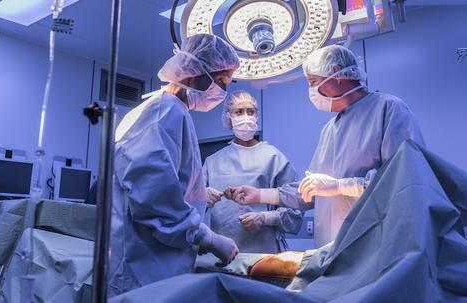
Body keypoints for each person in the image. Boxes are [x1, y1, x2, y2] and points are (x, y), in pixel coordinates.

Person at [226, 45, 425, 248]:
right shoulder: (330, 129)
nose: (311, 91)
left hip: (376, 247)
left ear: (337, 73)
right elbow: (310, 191)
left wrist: (341, 186)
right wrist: (260, 195)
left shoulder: (388, 109)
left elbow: (406, 181)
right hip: (331, 251)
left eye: (313, 82)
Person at [109, 34, 241, 296]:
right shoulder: (164, 111)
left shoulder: (171, 111)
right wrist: (208, 238)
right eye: (221, 81)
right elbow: (153, 197)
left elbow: (167, 184)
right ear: (194, 74)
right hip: (145, 269)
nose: (223, 92)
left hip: (156, 262)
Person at [203, 90, 303, 253]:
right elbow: (190, 209)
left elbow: (295, 208)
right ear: (229, 116)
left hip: (264, 253)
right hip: (221, 253)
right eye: (239, 112)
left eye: (251, 111)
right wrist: (202, 199)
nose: (246, 117)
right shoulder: (212, 162)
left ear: (257, 116)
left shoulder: (273, 157)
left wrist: (265, 218)